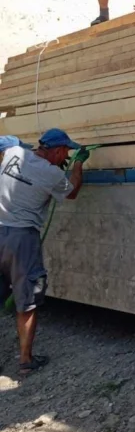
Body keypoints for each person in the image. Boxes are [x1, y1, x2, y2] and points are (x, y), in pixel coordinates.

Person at [0, 129, 87, 375]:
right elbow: (72, 191)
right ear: (58, 151)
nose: (66, 157)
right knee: (27, 300)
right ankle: (26, 361)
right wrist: (78, 164)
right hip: (21, 239)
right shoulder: (52, 174)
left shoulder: (14, 152)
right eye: (66, 153)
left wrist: (17, 142)